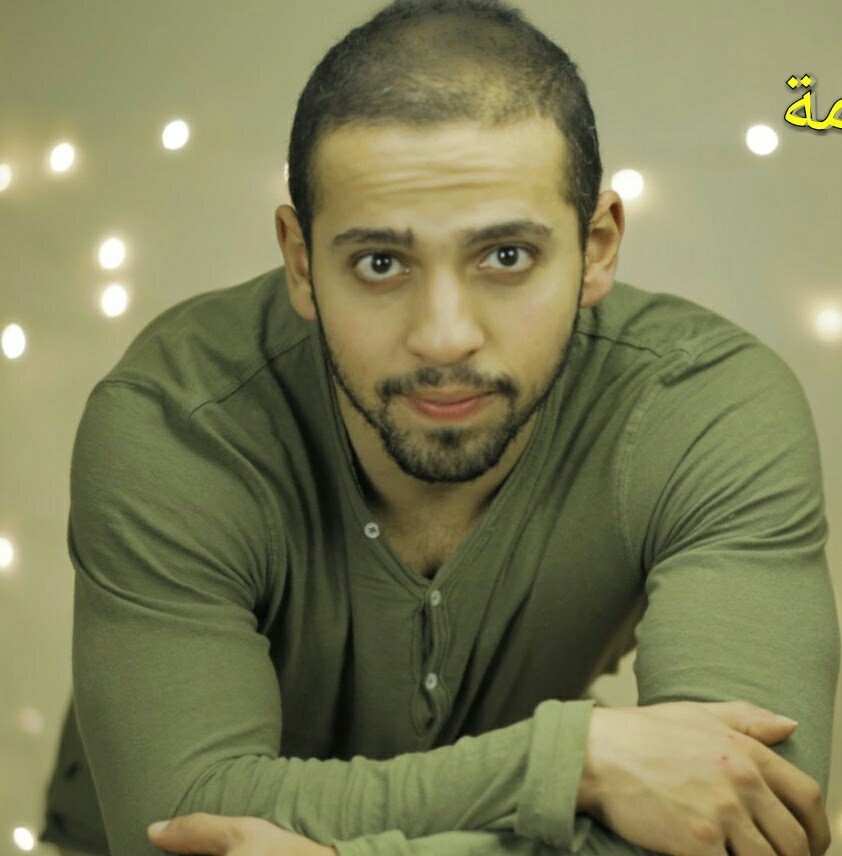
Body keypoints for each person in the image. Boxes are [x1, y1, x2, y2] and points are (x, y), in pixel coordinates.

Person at [40, 0, 840, 855]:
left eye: (506, 256)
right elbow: (179, 819)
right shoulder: (179, 421)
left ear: (598, 247)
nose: (445, 336)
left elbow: (753, 825)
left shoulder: (704, 409)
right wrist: (568, 763)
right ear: (302, 263)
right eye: (381, 263)